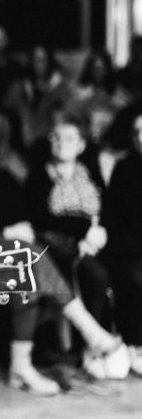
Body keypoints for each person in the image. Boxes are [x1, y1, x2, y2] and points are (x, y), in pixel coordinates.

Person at [0, 122, 124, 394]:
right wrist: (1, 230)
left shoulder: (4, 179)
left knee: (26, 268)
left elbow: (23, 219)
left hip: (13, 253)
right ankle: (87, 333)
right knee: (28, 257)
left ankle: (21, 368)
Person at [25, 112, 130, 380]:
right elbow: (42, 217)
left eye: (69, 139)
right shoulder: (39, 176)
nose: (62, 143)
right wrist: (84, 229)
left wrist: (99, 232)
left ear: (81, 145)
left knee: (109, 270)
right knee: (92, 274)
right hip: (56, 246)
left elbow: (108, 213)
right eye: (56, 138)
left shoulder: (90, 175)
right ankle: (89, 347)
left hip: (93, 244)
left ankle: (112, 343)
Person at [101, 107, 142, 376]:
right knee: (136, 276)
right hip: (130, 246)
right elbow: (116, 219)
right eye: (138, 132)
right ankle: (136, 343)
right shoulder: (125, 168)